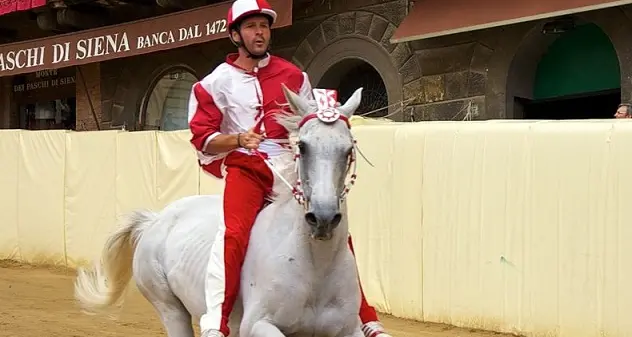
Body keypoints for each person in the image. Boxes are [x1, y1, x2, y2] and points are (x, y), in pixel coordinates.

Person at [187, 1, 393, 337]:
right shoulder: (213, 84)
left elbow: (310, 124)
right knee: (234, 235)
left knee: (335, 221)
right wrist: (238, 139)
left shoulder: (293, 75)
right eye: (252, 26)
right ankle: (217, 323)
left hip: (290, 167)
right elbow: (202, 138)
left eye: (264, 27)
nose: (260, 33)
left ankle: (365, 317)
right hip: (247, 169)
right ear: (235, 35)